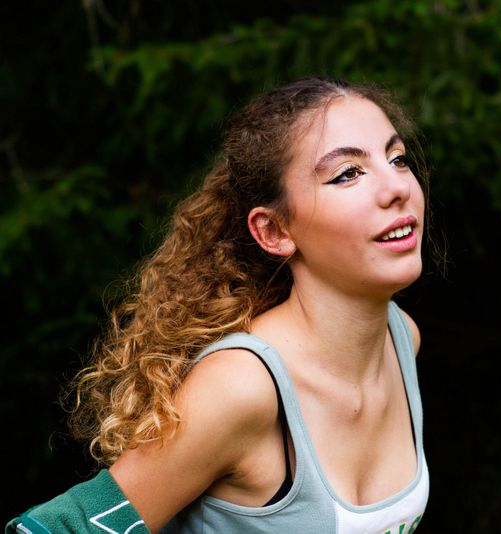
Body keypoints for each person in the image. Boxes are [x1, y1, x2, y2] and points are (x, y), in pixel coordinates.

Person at [7, 76, 436, 533]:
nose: (396, 188)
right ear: (274, 232)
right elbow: (62, 527)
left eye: (397, 159)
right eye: (347, 173)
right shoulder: (241, 388)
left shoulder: (400, 339)